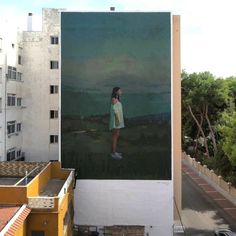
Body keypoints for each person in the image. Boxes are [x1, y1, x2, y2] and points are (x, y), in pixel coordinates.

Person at [109, 87, 124, 159]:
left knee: (116, 135)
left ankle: (114, 152)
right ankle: (113, 153)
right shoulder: (114, 99)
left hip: (118, 120)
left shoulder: (117, 99)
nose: (121, 91)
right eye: (120, 90)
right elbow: (115, 111)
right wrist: (118, 121)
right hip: (116, 121)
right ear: (116, 92)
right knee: (115, 136)